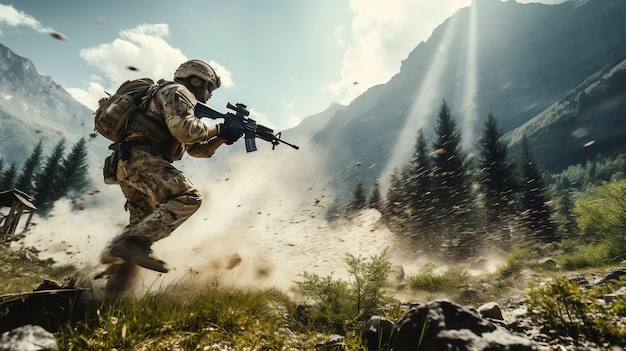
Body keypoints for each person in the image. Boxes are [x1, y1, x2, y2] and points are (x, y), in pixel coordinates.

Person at [98, 59, 242, 294]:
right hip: (143, 160)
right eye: (210, 88)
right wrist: (218, 128)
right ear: (197, 80)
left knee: (140, 226)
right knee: (189, 197)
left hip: (129, 164)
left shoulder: (175, 100)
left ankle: (112, 294)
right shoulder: (179, 92)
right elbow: (185, 131)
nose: (210, 95)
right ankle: (130, 244)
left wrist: (222, 137)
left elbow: (196, 149)